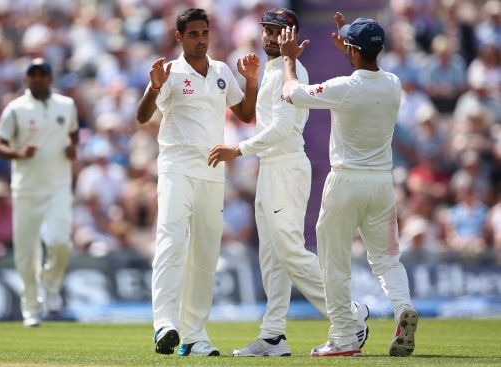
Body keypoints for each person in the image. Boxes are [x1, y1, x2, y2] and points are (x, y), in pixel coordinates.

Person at [208, 8, 369, 357]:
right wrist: (251, 80)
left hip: (286, 166)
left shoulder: (293, 71)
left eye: (277, 31)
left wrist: (239, 148)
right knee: (271, 256)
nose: (269, 36)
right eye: (266, 29)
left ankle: (350, 315)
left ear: (292, 34)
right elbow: (261, 118)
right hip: (270, 167)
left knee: (290, 251)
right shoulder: (272, 69)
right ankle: (273, 336)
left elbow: (282, 128)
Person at [278, 13, 418, 356]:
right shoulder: (394, 83)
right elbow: (365, 66)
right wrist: (351, 49)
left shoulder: (344, 87)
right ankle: (403, 308)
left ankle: (343, 337)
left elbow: (291, 94)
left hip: (345, 182)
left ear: (353, 51)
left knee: (334, 262)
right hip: (382, 184)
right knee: (387, 260)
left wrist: (288, 59)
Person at [136, 8, 259, 357]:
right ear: (180, 37)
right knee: (172, 242)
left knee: (205, 254)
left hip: (212, 172)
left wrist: (251, 80)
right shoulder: (169, 72)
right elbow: (142, 115)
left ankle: (194, 336)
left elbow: (247, 115)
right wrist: (154, 87)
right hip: (176, 169)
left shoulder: (221, 71)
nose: (200, 39)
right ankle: (164, 324)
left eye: (204, 33)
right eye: (193, 34)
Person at [0, 58, 78, 327]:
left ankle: (51, 285)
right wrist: (17, 152)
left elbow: (73, 135)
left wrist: (71, 148)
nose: (38, 78)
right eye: (33, 75)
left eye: (43, 74)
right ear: (26, 79)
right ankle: (31, 308)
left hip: (58, 187)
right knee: (26, 254)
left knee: (59, 242)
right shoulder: (15, 109)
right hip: (26, 190)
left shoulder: (67, 105)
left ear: (51, 79)